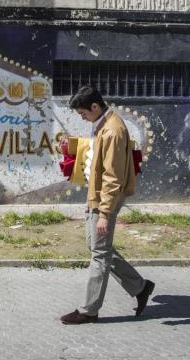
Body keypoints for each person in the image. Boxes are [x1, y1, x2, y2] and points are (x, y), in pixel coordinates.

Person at [59, 85, 154, 324]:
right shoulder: (102, 124)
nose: (82, 117)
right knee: (97, 246)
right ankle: (140, 287)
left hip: (105, 197)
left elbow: (113, 177)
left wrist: (104, 213)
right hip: (97, 194)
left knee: (99, 253)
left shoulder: (112, 131)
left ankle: (88, 310)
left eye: (83, 113)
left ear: (95, 106)